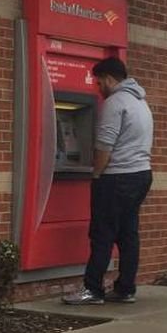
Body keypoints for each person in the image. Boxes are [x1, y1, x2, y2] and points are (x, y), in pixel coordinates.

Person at [63, 57, 153, 305]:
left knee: (102, 233)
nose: (98, 87)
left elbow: (105, 146)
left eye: (99, 82)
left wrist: (96, 175)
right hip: (141, 175)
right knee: (128, 234)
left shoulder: (115, 103)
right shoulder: (140, 102)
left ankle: (92, 290)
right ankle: (125, 289)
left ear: (110, 79)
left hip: (116, 177)